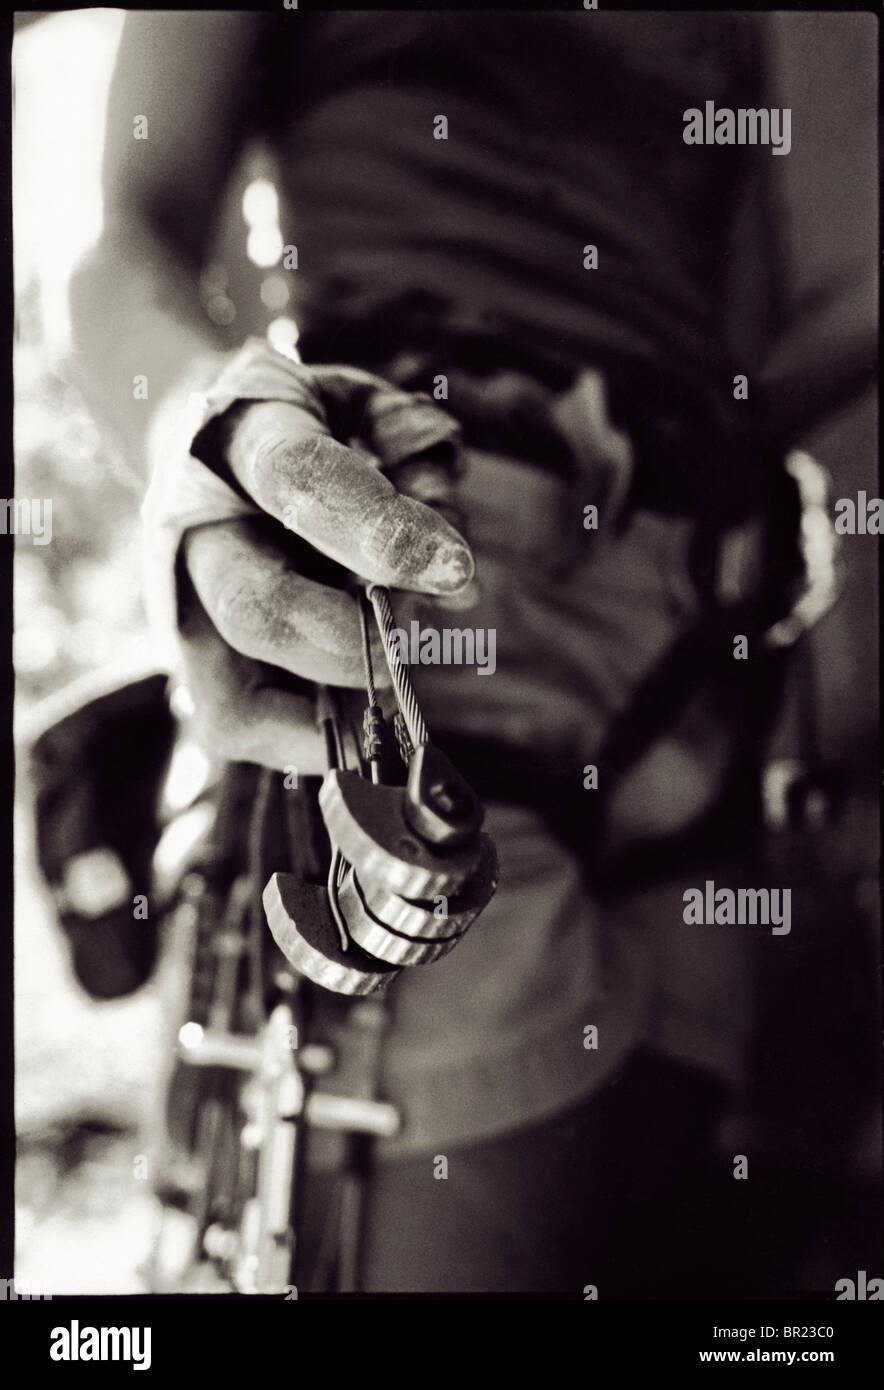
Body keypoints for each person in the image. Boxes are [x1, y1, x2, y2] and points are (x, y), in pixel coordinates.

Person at [69, 10, 875, 1293]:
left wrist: (709, 454)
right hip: (436, 563)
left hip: (705, 631)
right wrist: (208, 430)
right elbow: (128, 234)